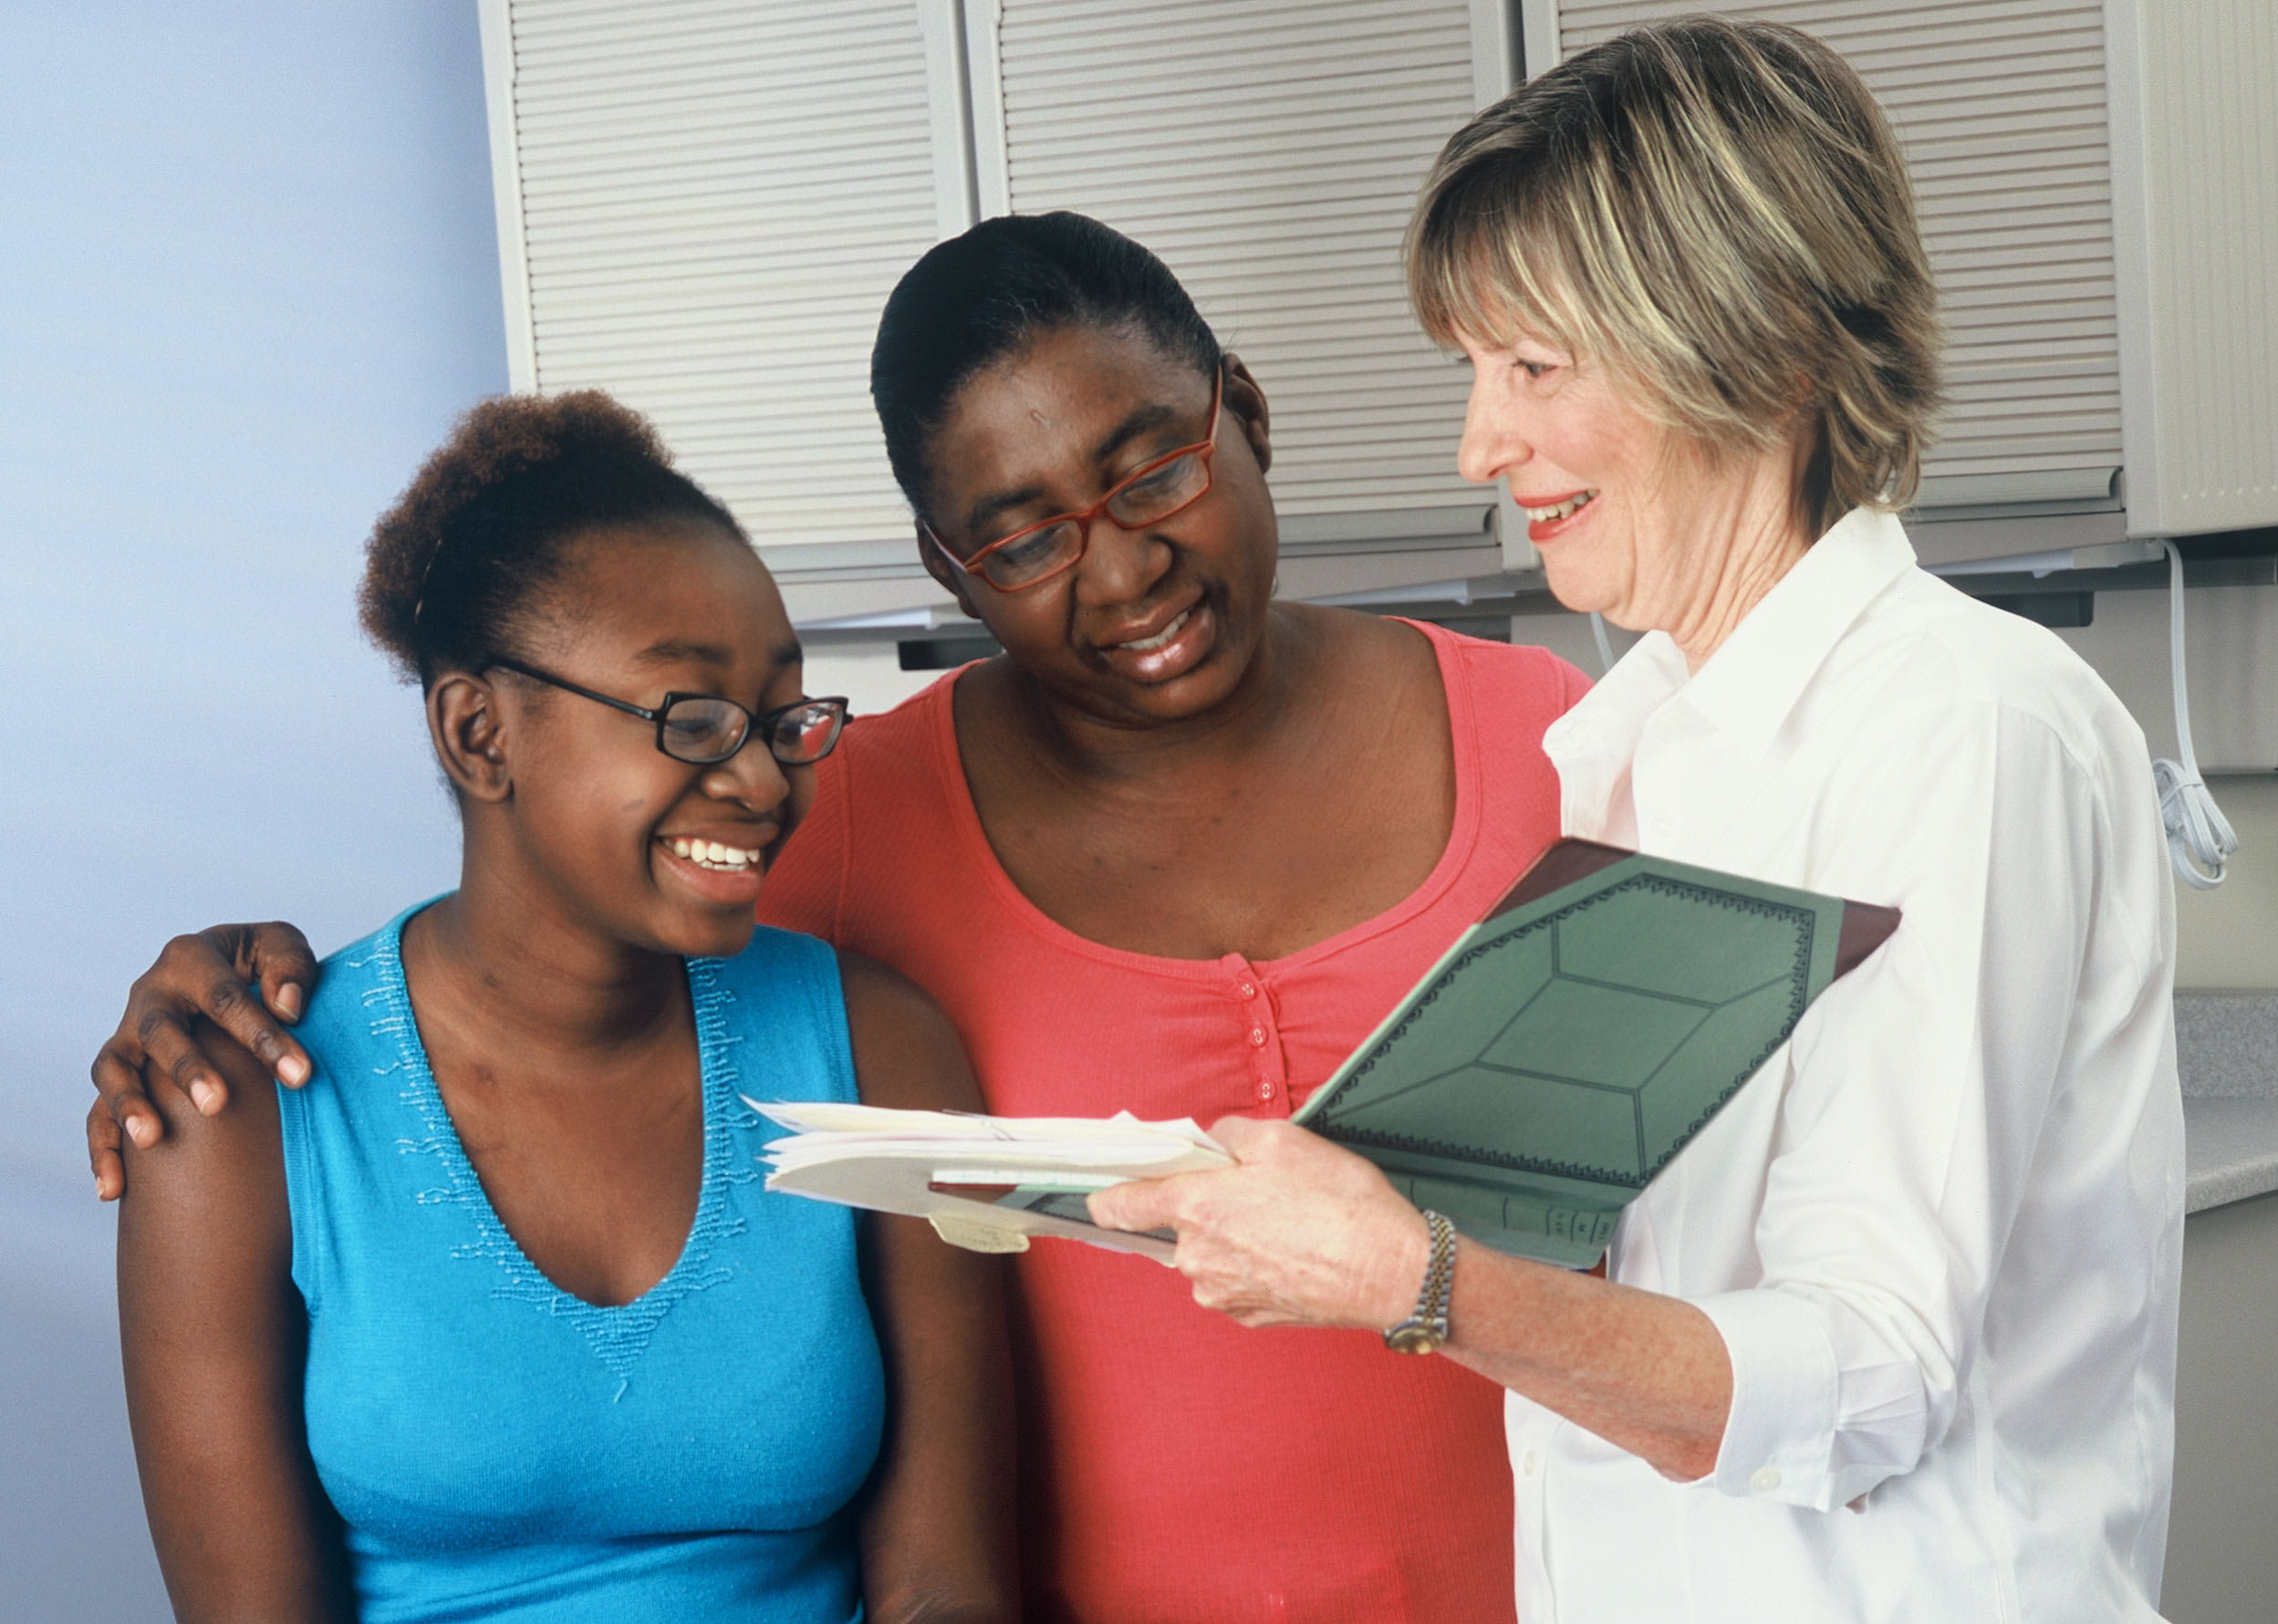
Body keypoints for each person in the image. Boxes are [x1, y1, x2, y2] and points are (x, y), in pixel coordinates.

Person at [89, 213, 1587, 1620]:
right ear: (953, 566)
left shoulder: (1572, 746)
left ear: (1241, 414)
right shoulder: (826, 840)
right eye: (1022, 537)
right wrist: (208, 979)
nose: (1121, 566)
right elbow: (579, 920)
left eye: (1152, 474)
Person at [1086, 17, 2184, 1623]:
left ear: (1763, 348)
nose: (1479, 444)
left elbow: (1869, 1376)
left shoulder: (1959, 729)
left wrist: (1409, 1283)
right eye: (1474, 370)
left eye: (1535, 367)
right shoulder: (1641, 741)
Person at [112, 391, 1015, 1622]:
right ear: (480, 732)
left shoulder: (883, 1054)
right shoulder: (238, 1110)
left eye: (780, 715)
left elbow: (943, 1587)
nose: (757, 777)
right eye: (688, 717)